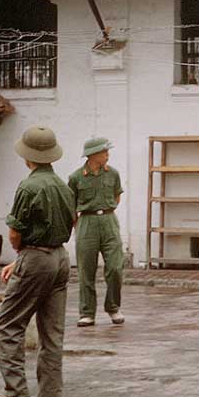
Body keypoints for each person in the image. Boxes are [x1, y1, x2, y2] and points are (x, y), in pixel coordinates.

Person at [0, 125, 76, 397]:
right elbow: (73, 220)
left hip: (36, 257)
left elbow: (15, 233)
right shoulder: (63, 186)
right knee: (52, 336)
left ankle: (18, 396)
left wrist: (23, 255)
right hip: (60, 258)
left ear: (28, 156)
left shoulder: (28, 186)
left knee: (8, 326)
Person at [69, 137, 125, 327]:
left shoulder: (113, 174)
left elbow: (117, 196)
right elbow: (71, 205)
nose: (107, 155)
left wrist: (106, 211)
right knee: (86, 269)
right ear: (92, 155)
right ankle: (87, 313)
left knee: (116, 267)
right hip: (86, 221)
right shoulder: (76, 177)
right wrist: (79, 226)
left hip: (109, 220)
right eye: (104, 152)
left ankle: (113, 307)